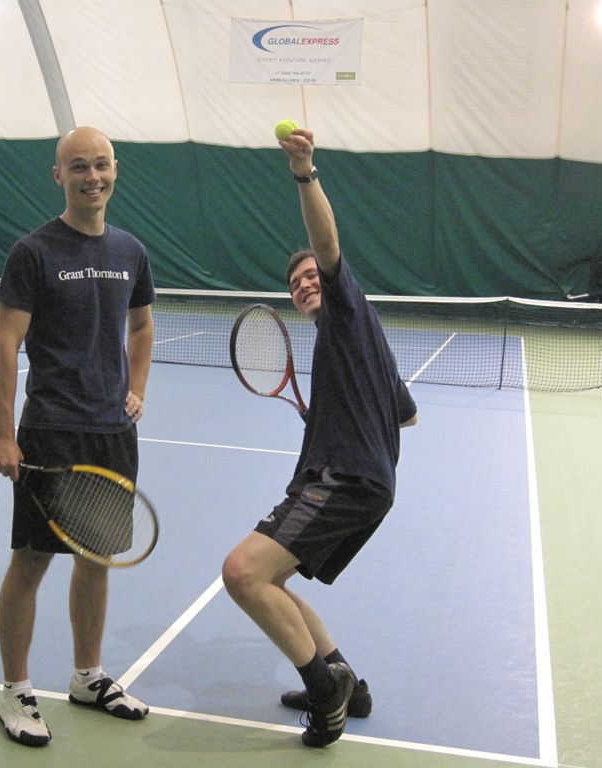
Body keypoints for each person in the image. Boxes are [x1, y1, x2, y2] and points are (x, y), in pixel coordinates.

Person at [221, 127, 418, 748]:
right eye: (295, 283)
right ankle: (348, 684)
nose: (306, 283)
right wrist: (342, 415)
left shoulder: (346, 310)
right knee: (274, 581)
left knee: (242, 573)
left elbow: (327, 245)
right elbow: (406, 415)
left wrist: (304, 172)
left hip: (342, 480)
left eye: (311, 276)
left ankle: (325, 692)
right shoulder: (358, 344)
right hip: (365, 483)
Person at [0, 126, 156, 747]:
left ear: (116, 169)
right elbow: (7, 345)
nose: (93, 177)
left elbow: (142, 326)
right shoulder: (32, 252)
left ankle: (88, 677)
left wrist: (137, 387)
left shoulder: (131, 251)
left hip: (112, 433)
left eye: (101, 165)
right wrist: (4, 434)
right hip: (51, 431)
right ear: (58, 175)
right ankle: (15, 692)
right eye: (79, 166)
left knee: (97, 558)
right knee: (31, 560)